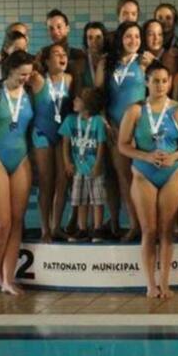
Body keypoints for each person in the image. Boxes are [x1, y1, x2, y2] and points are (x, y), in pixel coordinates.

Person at [118, 62, 178, 298]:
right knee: (149, 230)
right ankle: (150, 284)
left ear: (170, 82)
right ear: (146, 82)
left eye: (164, 80)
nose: (160, 85)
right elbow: (122, 145)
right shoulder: (135, 111)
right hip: (143, 173)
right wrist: (146, 156)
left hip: (172, 173)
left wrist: (174, 157)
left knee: (166, 229)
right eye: (155, 81)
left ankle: (165, 282)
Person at [0, 50, 35, 295]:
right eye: (22, 74)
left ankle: (8, 277)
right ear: (10, 70)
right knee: (1, 223)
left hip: (21, 158)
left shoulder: (29, 94)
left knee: (16, 222)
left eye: (29, 73)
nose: (26, 78)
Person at [96, 21, 153, 240]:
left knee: (141, 177)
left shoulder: (144, 62)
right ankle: (134, 224)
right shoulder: (106, 63)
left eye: (137, 36)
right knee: (124, 178)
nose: (133, 41)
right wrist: (105, 121)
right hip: (115, 127)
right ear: (121, 38)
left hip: (140, 129)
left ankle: (148, 224)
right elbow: (99, 94)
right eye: (129, 36)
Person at [27, 44, 73, 242]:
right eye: (56, 54)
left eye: (64, 54)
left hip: (62, 135)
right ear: (46, 61)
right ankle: (45, 229)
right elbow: (16, 70)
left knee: (62, 182)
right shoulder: (38, 79)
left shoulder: (69, 79)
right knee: (46, 183)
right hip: (42, 134)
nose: (62, 57)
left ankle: (57, 227)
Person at [59, 87, 108, 242]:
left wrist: (99, 164)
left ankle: (98, 228)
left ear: (88, 104)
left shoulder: (98, 121)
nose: (74, 101)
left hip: (94, 168)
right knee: (80, 199)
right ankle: (82, 228)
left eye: (78, 100)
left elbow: (101, 144)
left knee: (97, 199)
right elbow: (65, 143)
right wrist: (67, 162)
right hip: (78, 168)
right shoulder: (70, 120)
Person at [79, 22, 107, 92]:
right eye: (90, 38)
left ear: (104, 39)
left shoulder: (111, 60)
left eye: (98, 37)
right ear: (86, 40)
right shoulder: (81, 61)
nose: (94, 41)